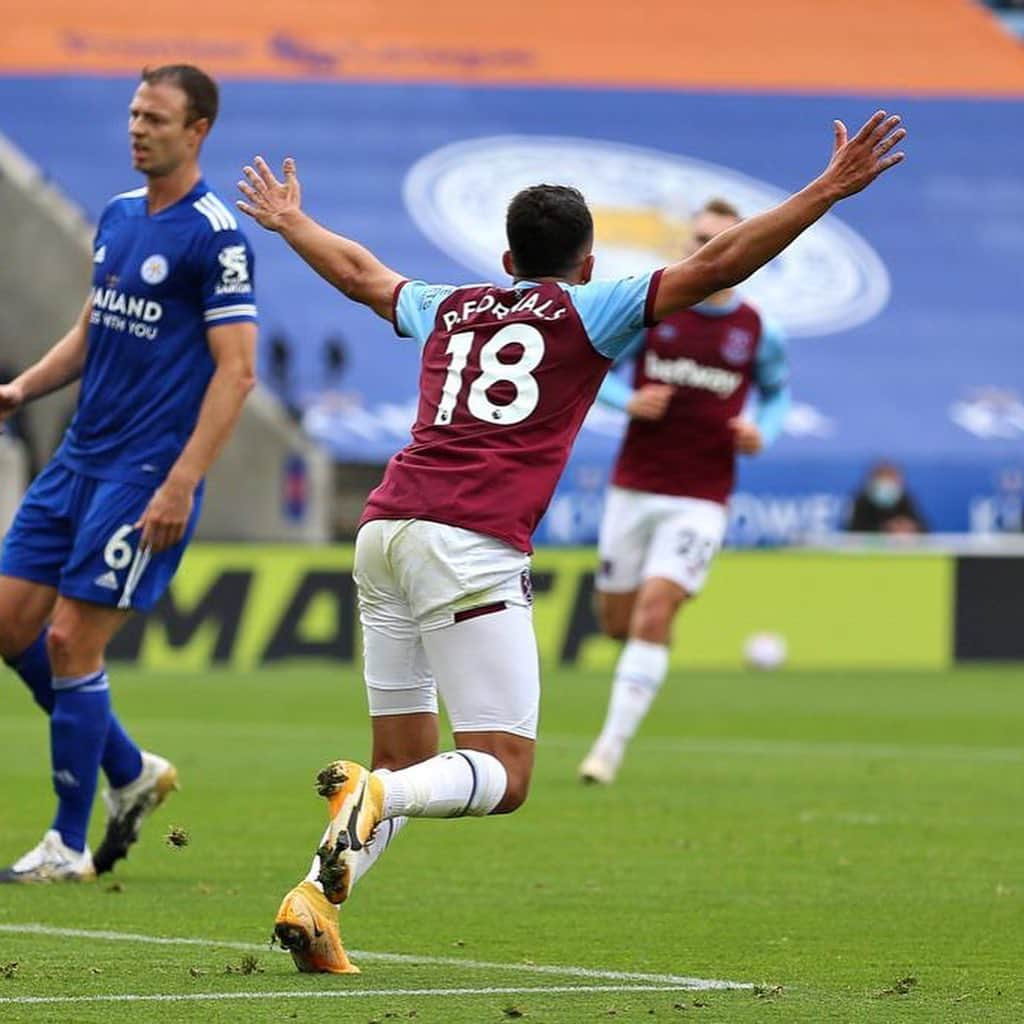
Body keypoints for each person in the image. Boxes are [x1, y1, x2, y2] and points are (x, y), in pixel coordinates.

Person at [235, 110, 906, 973]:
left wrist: (293, 222)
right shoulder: (595, 308)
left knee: (403, 757)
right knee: (501, 773)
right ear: (587, 264)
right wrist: (826, 189)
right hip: (468, 545)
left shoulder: (452, 304)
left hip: (383, 529)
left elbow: (362, 274)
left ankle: (316, 901)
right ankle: (372, 797)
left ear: (506, 260)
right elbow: (717, 265)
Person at [0, 64, 258, 882]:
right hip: (77, 457)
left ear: (198, 131)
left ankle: (68, 847)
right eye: (134, 113)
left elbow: (237, 372)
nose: (138, 127)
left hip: (143, 473)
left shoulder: (215, 236)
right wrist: (20, 390)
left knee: (73, 641)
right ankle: (131, 771)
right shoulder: (115, 216)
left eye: (156, 117)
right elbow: (91, 330)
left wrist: (182, 480)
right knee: (9, 626)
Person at [577, 197, 791, 785]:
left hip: (703, 493)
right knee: (617, 621)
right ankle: (636, 674)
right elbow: (599, 368)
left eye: (718, 240)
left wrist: (761, 431)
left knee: (655, 609)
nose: (705, 250)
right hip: (636, 486)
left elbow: (777, 393)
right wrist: (629, 400)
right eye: (698, 239)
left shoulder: (759, 330)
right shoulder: (657, 307)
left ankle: (608, 750)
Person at [846, 461, 927, 534]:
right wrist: (885, 529)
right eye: (882, 478)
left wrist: (910, 527)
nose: (886, 483)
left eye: (890, 477)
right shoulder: (862, 500)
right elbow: (852, 532)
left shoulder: (905, 498)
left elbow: (925, 531)